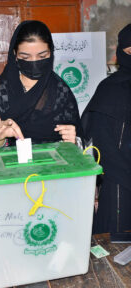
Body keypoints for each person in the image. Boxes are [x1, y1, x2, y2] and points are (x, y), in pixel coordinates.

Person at [0, 20, 84, 258]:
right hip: (11, 172)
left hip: (49, 173)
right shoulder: (4, 88)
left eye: (42, 55)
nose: (35, 62)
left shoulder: (61, 91)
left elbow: (79, 151)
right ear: (14, 55)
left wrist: (72, 143)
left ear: (52, 53)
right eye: (26, 56)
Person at [81, 24, 131, 241]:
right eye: (130, 52)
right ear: (120, 53)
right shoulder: (110, 89)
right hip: (120, 185)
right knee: (114, 254)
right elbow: (103, 146)